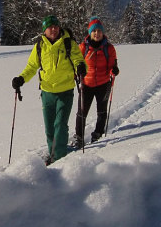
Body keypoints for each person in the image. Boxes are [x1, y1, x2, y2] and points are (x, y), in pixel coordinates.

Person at [11, 15, 86, 164]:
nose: (53, 29)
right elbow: (32, 67)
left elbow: (78, 59)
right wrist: (21, 79)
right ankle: (53, 152)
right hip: (47, 92)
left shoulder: (68, 43)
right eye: (50, 27)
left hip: (65, 91)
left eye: (56, 26)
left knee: (60, 125)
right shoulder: (40, 46)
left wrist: (81, 67)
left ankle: (59, 158)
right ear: (44, 30)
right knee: (49, 128)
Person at [73, 17, 119, 148]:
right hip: (86, 84)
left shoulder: (109, 48)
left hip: (103, 84)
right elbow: (75, 63)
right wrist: (76, 73)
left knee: (102, 112)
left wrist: (114, 70)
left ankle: (98, 133)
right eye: (94, 31)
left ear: (103, 32)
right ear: (90, 32)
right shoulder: (83, 47)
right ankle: (79, 137)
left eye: (99, 31)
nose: (97, 33)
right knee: (82, 112)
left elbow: (112, 65)